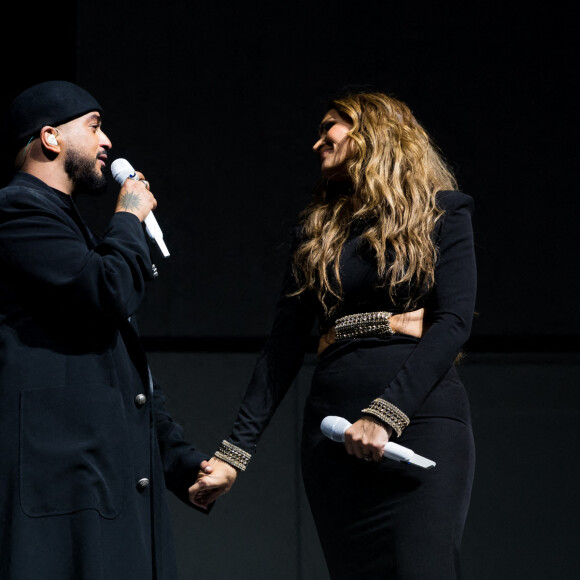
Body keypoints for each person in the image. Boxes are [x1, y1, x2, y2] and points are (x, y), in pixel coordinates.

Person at [190, 91, 477, 579]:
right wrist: (233, 454)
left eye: (330, 127)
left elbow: (452, 323)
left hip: (421, 424)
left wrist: (385, 415)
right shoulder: (317, 233)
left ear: (374, 132)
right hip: (331, 437)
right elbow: (281, 350)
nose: (317, 140)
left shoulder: (443, 213)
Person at [0, 80, 213, 580]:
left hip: (102, 482)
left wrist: (180, 463)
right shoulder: (17, 211)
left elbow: (123, 369)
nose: (107, 142)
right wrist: (128, 217)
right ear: (50, 137)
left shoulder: (74, 230)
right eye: (94, 127)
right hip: (66, 491)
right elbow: (108, 291)